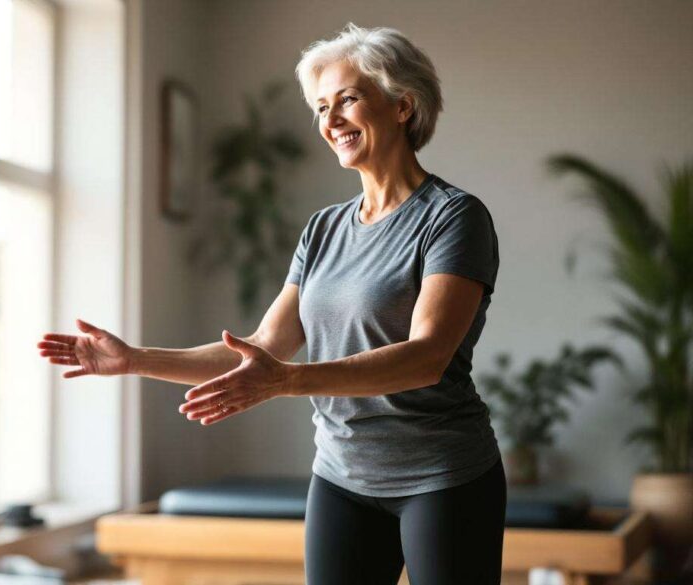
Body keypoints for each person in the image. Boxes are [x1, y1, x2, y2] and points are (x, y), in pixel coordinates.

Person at [36, 21, 506, 585]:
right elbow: (261, 349)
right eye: (321, 108)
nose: (329, 122)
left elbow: (425, 356)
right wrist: (133, 359)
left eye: (347, 101)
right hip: (341, 477)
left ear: (403, 106)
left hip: (442, 475)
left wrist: (285, 381)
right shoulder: (325, 229)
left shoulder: (453, 217)